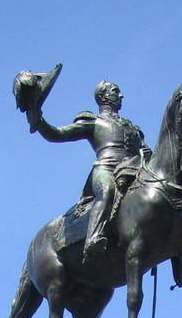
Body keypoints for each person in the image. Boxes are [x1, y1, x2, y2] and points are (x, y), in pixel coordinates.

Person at [33, 80, 151, 261]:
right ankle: (93, 238)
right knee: (107, 189)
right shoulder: (93, 121)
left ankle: (180, 264)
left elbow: (147, 152)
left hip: (134, 170)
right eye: (115, 91)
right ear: (103, 96)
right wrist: (39, 120)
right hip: (106, 169)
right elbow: (58, 134)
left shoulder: (132, 128)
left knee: (161, 196)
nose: (121, 95)